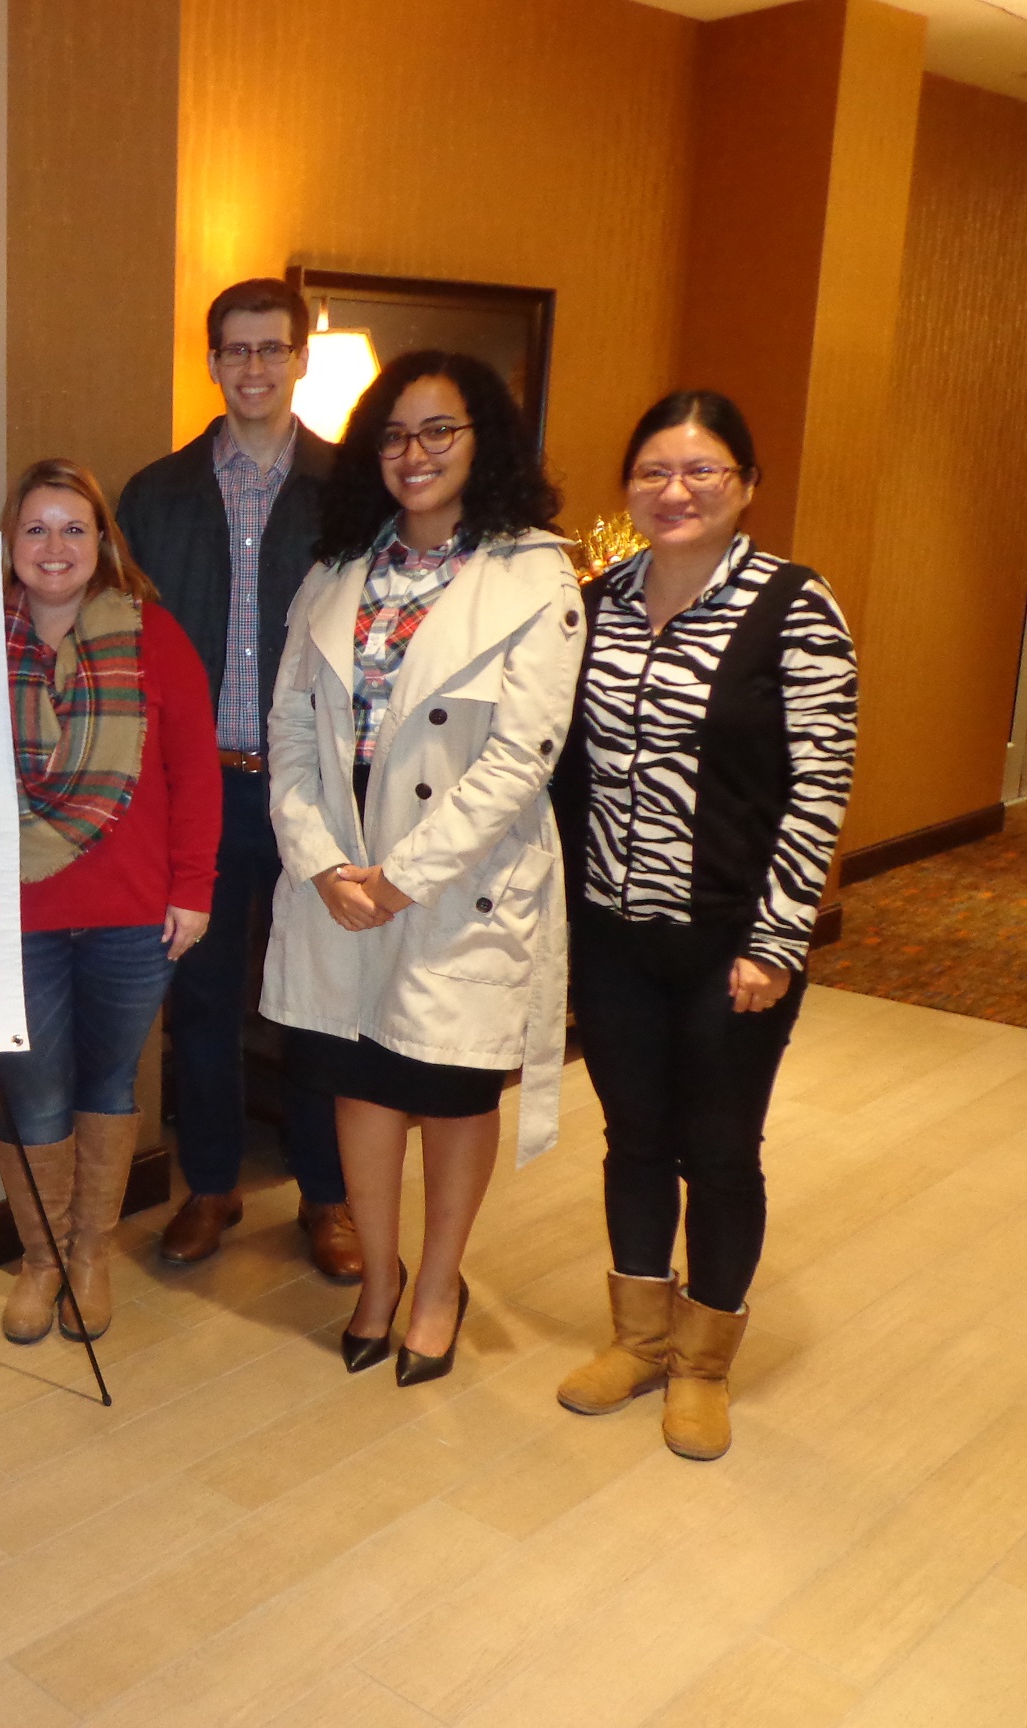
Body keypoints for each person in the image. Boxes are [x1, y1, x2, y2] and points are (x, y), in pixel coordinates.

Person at [265, 350, 582, 1386]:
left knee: (448, 1091)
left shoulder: (535, 576)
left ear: (481, 442)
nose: (416, 454)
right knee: (360, 1081)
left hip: (456, 886)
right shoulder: (336, 569)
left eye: (440, 431)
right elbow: (292, 740)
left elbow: (522, 758)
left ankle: (440, 1281)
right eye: (397, 435)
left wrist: (400, 877)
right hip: (344, 882)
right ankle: (380, 1277)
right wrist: (321, 863)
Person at [552, 392, 855, 1462]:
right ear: (627, 485)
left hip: (734, 941)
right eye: (652, 472)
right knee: (633, 1137)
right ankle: (638, 1340)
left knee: (721, 1152)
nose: (673, 492)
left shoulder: (794, 606)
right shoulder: (597, 600)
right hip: (613, 932)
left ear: (745, 487)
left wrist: (777, 940)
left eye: (701, 472)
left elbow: (819, 788)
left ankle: (704, 1362)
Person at [119, 277, 356, 1278]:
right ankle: (210, 1185)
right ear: (211, 363)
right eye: (236, 351)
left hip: (311, 787)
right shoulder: (154, 494)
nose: (254, 368)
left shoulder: (351, 493)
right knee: (205, 999)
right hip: (199, 789)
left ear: (300, 358)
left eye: (272, 349)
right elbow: (124, 647)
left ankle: (329, 1196)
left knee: (316, 995)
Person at [0, 459, 222, 1345]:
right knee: (34, 1097)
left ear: (102, 542)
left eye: (74, 528)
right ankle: (41, 1258)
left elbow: (194, 774)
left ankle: (88, 1252)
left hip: (133, 911)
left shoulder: (153, 636)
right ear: (10, 544)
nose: (56, 547)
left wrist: (193, 890)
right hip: (14, 912)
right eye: (37, 529)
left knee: (107, 1086)